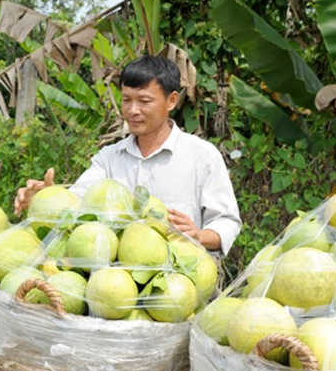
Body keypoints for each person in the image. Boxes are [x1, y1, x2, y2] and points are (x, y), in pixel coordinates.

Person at [14, 56, 241, 255]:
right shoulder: (109, 159)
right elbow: (77, 202)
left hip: (181, 285)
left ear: (171, 100)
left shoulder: (201, 156)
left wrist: (199, 235)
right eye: (126, 100)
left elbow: (227, 221)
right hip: (114, 286)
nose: (132, 110)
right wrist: (44, 200)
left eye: (144, 101)